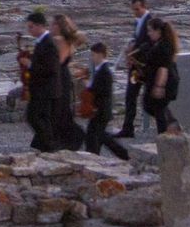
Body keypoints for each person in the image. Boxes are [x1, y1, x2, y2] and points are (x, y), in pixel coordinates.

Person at [24, 11, 62, 152]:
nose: (29, 30)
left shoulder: (49, 43)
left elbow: (51, 68)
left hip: (46, 90)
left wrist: (30, 64)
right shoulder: (41, 42)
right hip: (41, 88)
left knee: (36, 117)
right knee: (38, 118)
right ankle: (47, 146)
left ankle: (50, 147)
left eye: (31, 27)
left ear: (40, 25)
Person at [84, 43, 129, 160]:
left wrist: (89, 88)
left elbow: (101, 91)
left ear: (100, 55)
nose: (92, 58)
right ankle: (94, 155)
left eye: (93, 55)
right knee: (98, 135)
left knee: (96, 135)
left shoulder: (104, 72)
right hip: (100, 110)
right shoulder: (102, 70)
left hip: (100, 110)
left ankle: (95, 156)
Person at [52, 14, 88, 151]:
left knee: (61, 110)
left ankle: (75, 137)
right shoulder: (65, 40)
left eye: (54, 24)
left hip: (61, 77)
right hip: (63, 76)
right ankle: (66, 139)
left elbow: (59, 61)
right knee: (62, 110)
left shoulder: (60, 40)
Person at [140, 18, 182, 135]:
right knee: (153, 106)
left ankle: (165, 135)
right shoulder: (157, 44)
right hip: (159, 80)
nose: (148, 34)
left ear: (158, 31)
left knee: (158, 109)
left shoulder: (164, 47)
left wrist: (159, 86)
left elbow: (163, 68)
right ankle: (172, 125)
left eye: (150, 31)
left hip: (165, 82)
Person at [119, 0, 152, 138]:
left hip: (143, 66)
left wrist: (134, 52)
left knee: (149, 98)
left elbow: (148, 44)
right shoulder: (138, 21)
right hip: (135, 68)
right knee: (130, 95)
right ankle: (128, 127)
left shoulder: (151, 22)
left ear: (144, 7)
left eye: (137, 9)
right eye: (134, 10)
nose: (135, 13)